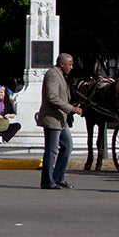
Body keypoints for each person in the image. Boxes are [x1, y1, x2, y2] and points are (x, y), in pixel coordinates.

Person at [38, 53, 82, 189]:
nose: (71, 67)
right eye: (70, 64)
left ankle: (58, 177)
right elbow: (52, 97)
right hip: (52, 118)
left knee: (67, 146)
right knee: (52, 151)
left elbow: (62, 97)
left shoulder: (61, 75)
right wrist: (71, 108)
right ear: (62, 64)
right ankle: (47, 180)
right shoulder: (52, 73)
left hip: (61, 119)